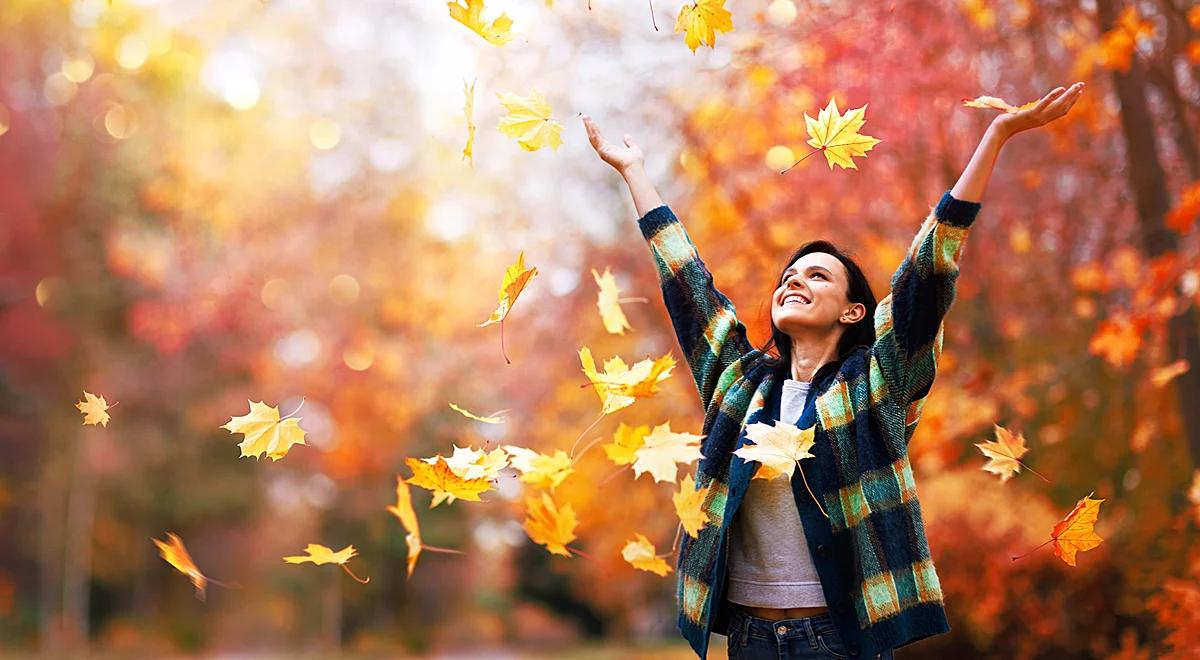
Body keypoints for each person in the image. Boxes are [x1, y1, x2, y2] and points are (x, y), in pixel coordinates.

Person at [582, 81, 1085, 659]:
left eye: (817, 276)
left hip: (838, 641)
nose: (794, 279)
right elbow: (688, 288)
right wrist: (634, 172)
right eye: (788, 276)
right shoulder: (740, 385)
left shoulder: (877, 384)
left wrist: (995, 136)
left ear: (854, 311)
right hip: (749, 639)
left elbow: (925, 277)